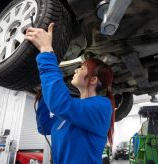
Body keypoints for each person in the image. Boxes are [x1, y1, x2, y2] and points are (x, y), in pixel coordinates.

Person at [25, 23, 116, 163]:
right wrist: (43, 95)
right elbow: (44, 127)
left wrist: (46, 50)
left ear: (93, 79)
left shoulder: (102, 106)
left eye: (81, 68)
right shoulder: (71, 113)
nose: (76, 70)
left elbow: (61, 105)